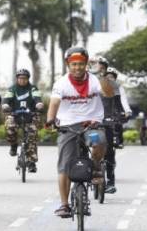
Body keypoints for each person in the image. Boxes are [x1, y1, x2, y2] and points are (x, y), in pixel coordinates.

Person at [46, 47, 114, 218]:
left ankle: (97, 167)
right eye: (74, 64)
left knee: (98, 140)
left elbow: (109, 92)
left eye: (81, 64)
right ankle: (64, 205)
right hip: (68, 126)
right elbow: (54, 103)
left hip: (91, 124)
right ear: (68, 65)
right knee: (64, 166)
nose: (77, 67)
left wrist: (101, 74)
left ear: (86, 65)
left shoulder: (94, 80)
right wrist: (50, 120)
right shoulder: (61, 83)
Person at [2, 68, 44, 174]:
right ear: (17, 79)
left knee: (32, 135)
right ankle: (14, 145)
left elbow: (37, 98)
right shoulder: (12, 89)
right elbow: (6, 99)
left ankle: (31, 162)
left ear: (28, 79)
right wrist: (5, 105)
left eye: (25, 78)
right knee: (10, 128)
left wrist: (39, 104)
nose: (22, 80)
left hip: (30, 115)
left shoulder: (32, 88)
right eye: (20, 78)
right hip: (14, 114)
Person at [100, 67, 131, 194]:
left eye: (112, 77)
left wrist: (127, 111)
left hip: (111, 117)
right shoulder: (97, 88)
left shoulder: (118, 88)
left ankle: (110, 181)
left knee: (109, 152)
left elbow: (123, 100)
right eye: (107, 76)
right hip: (97, 120)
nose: (110, 79)